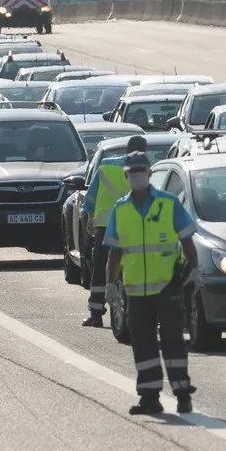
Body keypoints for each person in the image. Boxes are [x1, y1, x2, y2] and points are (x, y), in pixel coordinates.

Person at [104, 144, 199, 415]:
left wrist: (194, 270)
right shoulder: (121, 209)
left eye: (140, 172)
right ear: (126, 176)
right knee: (143, 345)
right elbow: (115, 252)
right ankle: (149, 397)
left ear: (148, 173)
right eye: (131, 173)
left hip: (167, 284)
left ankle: (182, 393)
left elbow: (187, 241)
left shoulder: (167, 203)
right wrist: (110, 285)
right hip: (135, 292)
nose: (136, 177)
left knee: (172, 340)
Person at [79, 135, 138, 327]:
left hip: (105, 226)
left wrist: (89, 218)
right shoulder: (148, 169)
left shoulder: (106, 166)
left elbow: (91, 196)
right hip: (135, 228)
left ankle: (96, 313)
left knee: (102, 267)